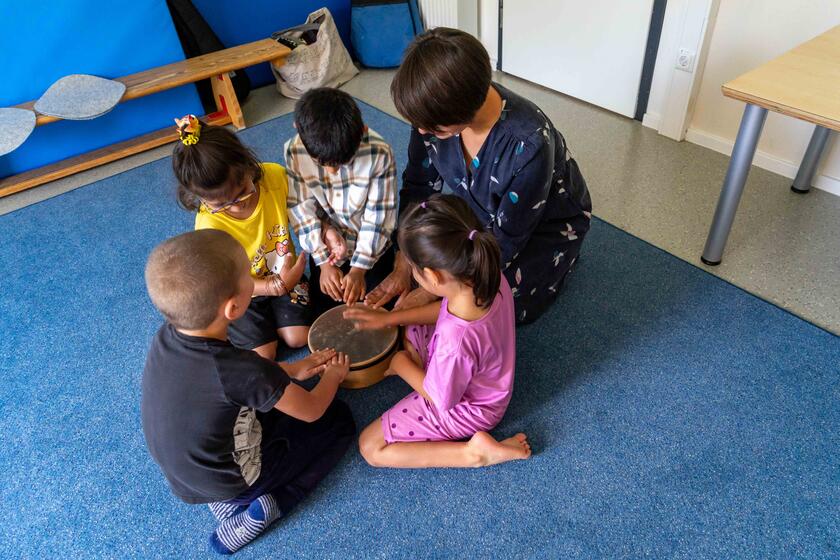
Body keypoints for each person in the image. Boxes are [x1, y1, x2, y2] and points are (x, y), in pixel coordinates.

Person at [141, 229, 355, 555]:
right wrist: (334, 377)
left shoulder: (167, 336)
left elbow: (227, 388)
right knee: (339, 420)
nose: (254, 277)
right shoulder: (244, 370)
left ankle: (225, 500)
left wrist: (292, 370)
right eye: (248, 275)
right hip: (234, 478)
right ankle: (272, 503)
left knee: (270, 406)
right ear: (234, 307)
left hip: (188, 476)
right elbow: (312, 408)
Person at [365, 28, 593, 324]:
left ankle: (564, 264)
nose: (422, 132)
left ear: (464, 110)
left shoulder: (529, 144)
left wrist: (435, 291)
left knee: (490, 303)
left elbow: (507, 241)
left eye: (433, 129)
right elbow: (419, 186)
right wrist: (406, 261)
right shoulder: (430, 112)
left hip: (543, 227)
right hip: (481, 216)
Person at [344, 195, 531, 468]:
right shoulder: (486, 276)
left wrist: (401, 364)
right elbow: (443, 314)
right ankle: (425, 372)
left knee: (371, 447)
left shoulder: (455, 342)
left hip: (470, 410)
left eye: (412, 270)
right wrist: (391, 319)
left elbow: (442, 400)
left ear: (432, 276)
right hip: (484, 377)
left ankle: (473, 453)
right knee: (411, 324)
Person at [172, 115, 312, 360]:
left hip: (286, 277)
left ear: (248, 164)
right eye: (220, 204)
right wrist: (270, 287)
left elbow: (305, 216)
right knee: (263, 356)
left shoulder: (275, 177)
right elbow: (224, 281)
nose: (235, 206)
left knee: (298, 337)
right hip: (243, 292)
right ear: (201, 198)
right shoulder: (208, 224)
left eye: (243, 193)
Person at [284, 88, 398, 312]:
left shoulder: (379, 153)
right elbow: (300, 209)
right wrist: (323, 260)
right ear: (298, 130)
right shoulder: (295, 150)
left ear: (362, 132)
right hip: (328, 243)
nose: (333, 171)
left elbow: (379, 217)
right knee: (323, 308)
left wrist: (358, 269)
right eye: (322, 163)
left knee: (380, 305)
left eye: (343, 162)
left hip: (371, 244)